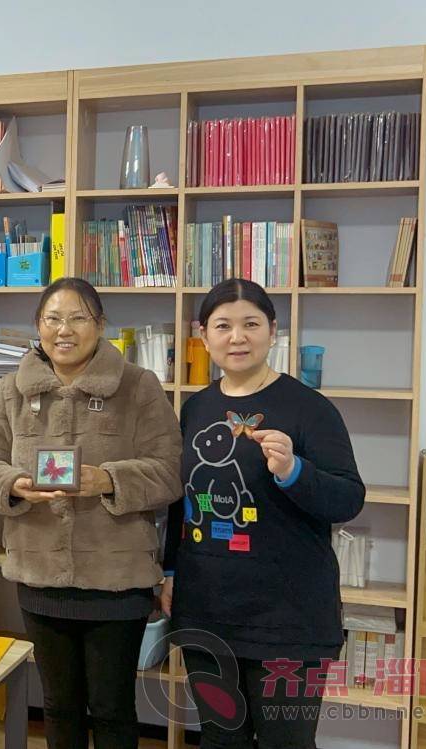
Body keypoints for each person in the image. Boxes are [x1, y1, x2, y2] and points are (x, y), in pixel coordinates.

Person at [0, 277, 182, 749]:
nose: (64, 330)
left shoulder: (138, 386)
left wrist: (108, 480)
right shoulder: (13, 390)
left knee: (112, 708)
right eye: (53, 319)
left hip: (116, 578)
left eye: (78, 318)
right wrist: (13, 485)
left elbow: (169, 472)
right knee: (58, 706)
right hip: (39, 575)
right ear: (38, 326)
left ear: (100, 325)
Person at [162, 279, 364, 748]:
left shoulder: (310, 409)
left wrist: (294, 471)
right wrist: (170, 570)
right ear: (203, 335)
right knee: (220, 738)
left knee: (286, 743)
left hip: (290, 617)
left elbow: (348, 499)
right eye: (223, 326)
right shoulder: (196, 408)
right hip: (208, 610)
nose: (237, 337)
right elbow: (180, 498)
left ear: (273, 331)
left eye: (251, 324)